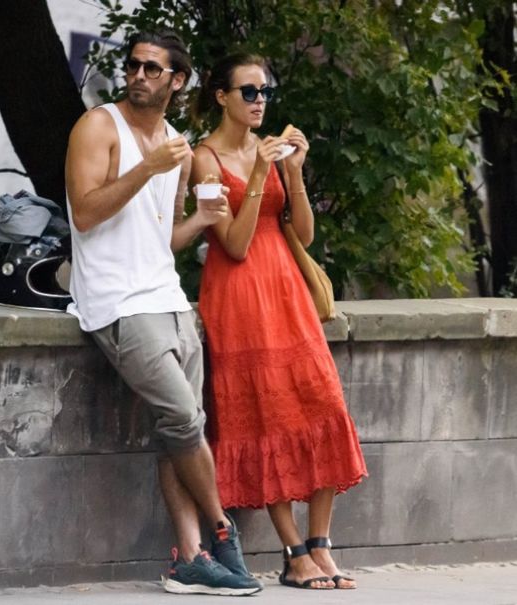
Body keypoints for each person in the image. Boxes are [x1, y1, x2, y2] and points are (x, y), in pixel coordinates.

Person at [64, 32, 262, 596]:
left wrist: (201, 220)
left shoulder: (176, 144)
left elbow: (162, 238)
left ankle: (189, 558)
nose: (139, 76)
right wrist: (146, 169)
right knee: (183, 419)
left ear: (177, 81)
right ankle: (222, 528)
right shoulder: (99, 126)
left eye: (153, 69)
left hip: (168, 299)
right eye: (134, 66)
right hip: (117, 302)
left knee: (179, 428)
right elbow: (84, 213)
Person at [191, 53, 368, 590]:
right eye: (248, 91)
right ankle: (293, 553)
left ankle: (321, 544)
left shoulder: (270, 152)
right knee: (265, 421)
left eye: (265, 91)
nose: (260, 101)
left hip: (287, 289)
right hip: (239, 296)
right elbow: (235, 244)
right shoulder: (204, 158)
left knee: (323, 404)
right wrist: (259, 171)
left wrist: (293, 172)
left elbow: (305, 235)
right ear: (221, 96)